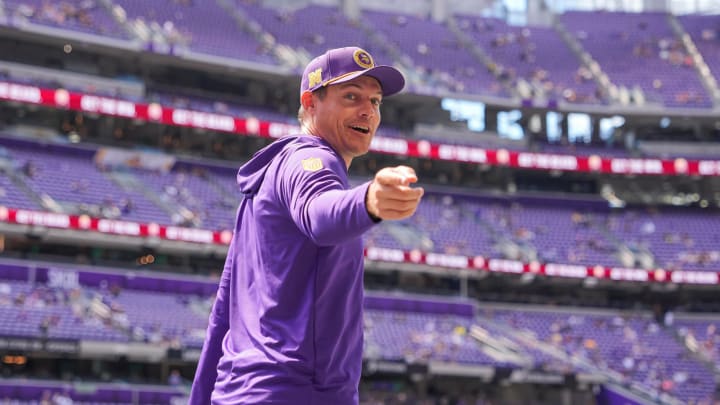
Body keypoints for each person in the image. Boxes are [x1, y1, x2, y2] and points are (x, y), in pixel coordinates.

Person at [189, 46, 424, 404]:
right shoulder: (310, 160)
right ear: (310, 103)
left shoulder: (273, 174)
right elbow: (320, 213)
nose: (368, 111)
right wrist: (367, 202)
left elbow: (224, 313)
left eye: (375, 102)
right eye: (351, 96)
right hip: (293, 392)